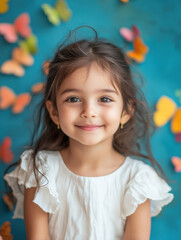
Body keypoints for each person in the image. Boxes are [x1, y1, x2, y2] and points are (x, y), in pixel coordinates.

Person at [4, 27, 173, 240]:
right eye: (73, 99)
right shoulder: (40, 171)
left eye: (105, 99)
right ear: (54, 112)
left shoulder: (137, 180)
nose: (89, 112)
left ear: (126, 111)